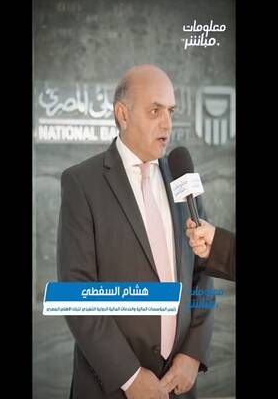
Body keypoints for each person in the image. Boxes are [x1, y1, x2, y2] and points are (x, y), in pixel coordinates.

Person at [57, 64, 214, 399]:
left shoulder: (184, 180)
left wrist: (192, 354)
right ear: (123, 115)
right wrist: (129, 377)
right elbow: (75, 291)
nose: (167, 123)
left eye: (171, 111)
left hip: (179, 384)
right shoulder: (81, 183)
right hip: (109, 386)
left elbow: (203, 271)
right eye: (155, 111)